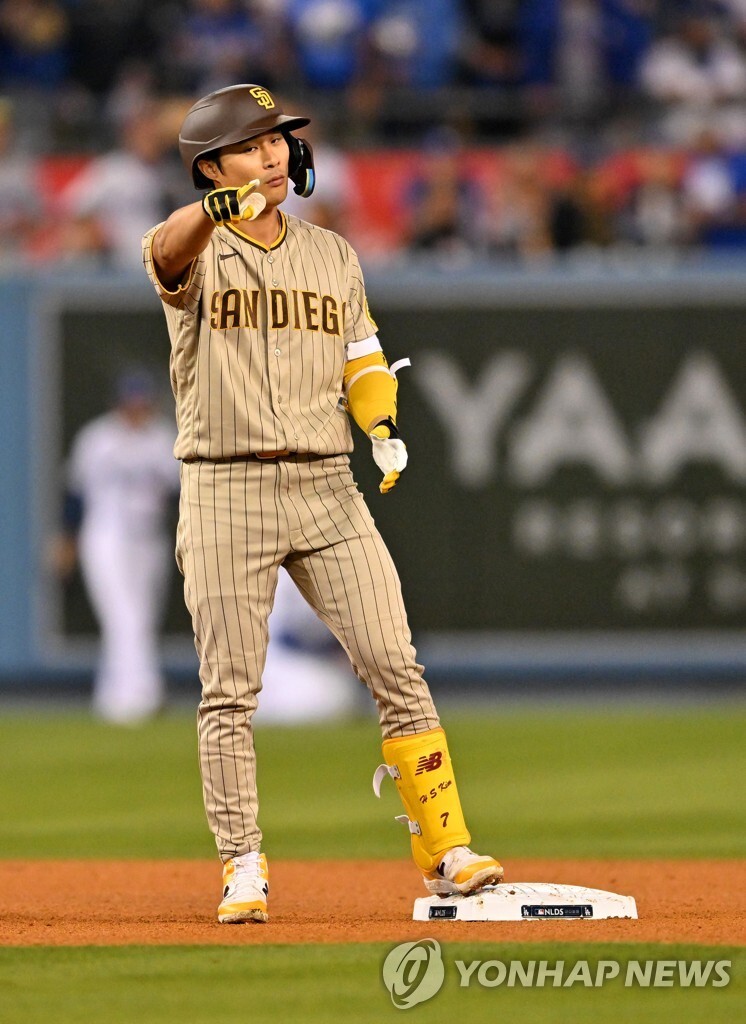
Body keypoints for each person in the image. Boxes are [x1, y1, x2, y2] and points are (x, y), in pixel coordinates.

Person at [142, 82, 502, 924]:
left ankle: (445, 846)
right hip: (224, 480)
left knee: (395, 663)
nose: (272, 153)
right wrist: (212, 209)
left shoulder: (333, 255)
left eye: (277, 139)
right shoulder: (198, 249)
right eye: (251, 143)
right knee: (229, 689)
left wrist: (380, 421)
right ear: (211, 165)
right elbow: (164, 251)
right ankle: (243, 864)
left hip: (325, 481)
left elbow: (363, 355)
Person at [55, 369, 180, 724]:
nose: (137, 408)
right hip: (104, 537)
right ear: (120, 402)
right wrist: (67, 541)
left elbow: (179, 495)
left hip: (149, 539)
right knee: (126, 616)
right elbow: (75, 496)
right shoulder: (97, 438)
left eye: (142, 401)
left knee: (141, 618)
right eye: (131, 401)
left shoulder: (161, 439)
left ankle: (113, 697)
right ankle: (144, 693)